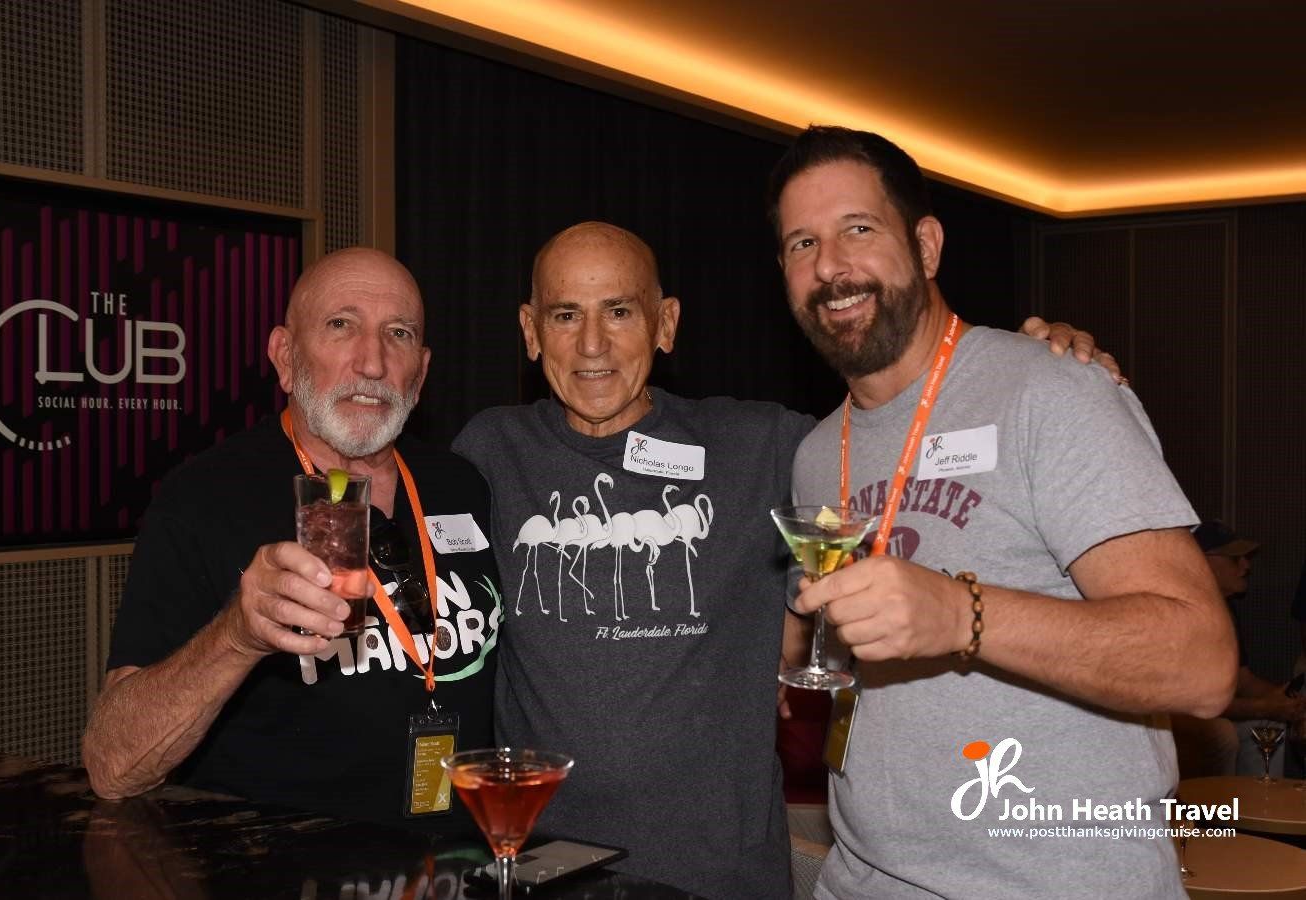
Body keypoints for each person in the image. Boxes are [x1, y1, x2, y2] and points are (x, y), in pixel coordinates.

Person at [452, 222, 1120, 898]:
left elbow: (907, 444)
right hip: (538, 866)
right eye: (565, 315)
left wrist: (1026, 367)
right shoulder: (488, 453)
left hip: (720, 877)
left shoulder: (760, 445)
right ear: (531, 330)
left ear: (665, 324)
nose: (592, 344)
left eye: (619, 311)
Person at [772, 127, 1237, 899]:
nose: (828, 265)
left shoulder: (1052, 391)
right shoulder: (818, 453)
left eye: (857, 228)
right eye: (801, 243)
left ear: (925, 245)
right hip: (865, 879)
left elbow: (1201, 665)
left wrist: (962, 614)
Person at [82, 248, 502, 836]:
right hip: (282, 866)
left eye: (399, 334)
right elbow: (112, 766)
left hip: (459, 857)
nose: (373, 362)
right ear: (285, 356)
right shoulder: (203, 497)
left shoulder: (464, 484)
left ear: (422, 371)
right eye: (341, 325)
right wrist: (237, 635)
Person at [1173, 521, 1306, 777]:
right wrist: (1263, 706)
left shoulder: (1226, 609)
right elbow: (1195, 702)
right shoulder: (1181, 614)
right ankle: (1218, 803)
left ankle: (1259, 799)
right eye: (1235, 559)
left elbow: (1243, 680)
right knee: (1223, 735)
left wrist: (1285, 701)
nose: (1246, 565)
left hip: (1212, 708)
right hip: (1176, 715)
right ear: (1202, 562)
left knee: (1269, 724)